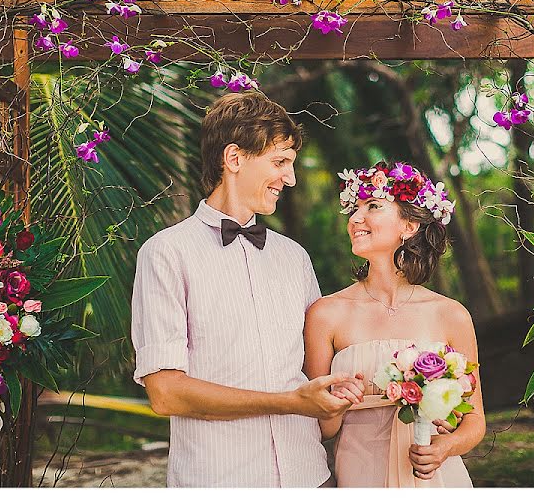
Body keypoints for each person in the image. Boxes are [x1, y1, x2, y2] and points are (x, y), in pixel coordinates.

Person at [131, 91, 365, 487]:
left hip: (310, 477)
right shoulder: (166, 254)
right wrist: (289, 403)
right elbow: (166, 393)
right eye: (279, 162)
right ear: (234, 159)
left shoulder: (295, 257)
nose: (290, 178)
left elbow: (315, 381)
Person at [304, 160, 486, 487]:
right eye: (354, 209)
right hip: (360, 475)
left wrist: (445, 448)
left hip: (435, 478)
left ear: (409, 226)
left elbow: (474, 421)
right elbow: (321, 428)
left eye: (373, 206)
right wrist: (337, 404)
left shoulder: (451, 314)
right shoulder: (325, 313)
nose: (356, 218)